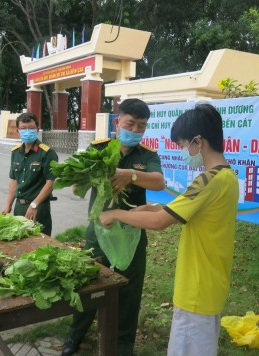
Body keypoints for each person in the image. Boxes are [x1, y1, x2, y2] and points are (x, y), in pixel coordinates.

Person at [99, 103, 239, 356]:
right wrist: (141, 210)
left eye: (183, 145)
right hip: (212, 283)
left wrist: (115, 214)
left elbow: (160, 222)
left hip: (196, 288)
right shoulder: (226, 176)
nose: (184, 151)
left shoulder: (206, 180)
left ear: (198, 141)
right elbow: (174, 210)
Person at [62, 98, 165, 356]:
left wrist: (128, 174)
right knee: (88, 288)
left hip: (131, 237)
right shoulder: (98, 150)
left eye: (142, 126)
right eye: (131, 124)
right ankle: (74, 337)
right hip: (98, 235)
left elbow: (158, 182)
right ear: (117, 122)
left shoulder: (147, 156)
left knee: (129, 296)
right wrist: (83, 179)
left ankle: (122, 347)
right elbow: (76, 189)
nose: (136, 130)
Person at [1, 112, 58, 236]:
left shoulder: (47, 153)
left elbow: (50, 183)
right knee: (19, 242)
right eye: (23, 128)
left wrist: (34, 205)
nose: (27, 131)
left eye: (31, 128)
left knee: (39, 244)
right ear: (18, 131)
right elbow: (14, 181)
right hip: (19, 207)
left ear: (37, 130)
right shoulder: (16, 152)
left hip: (38, 207)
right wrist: (8, 206)